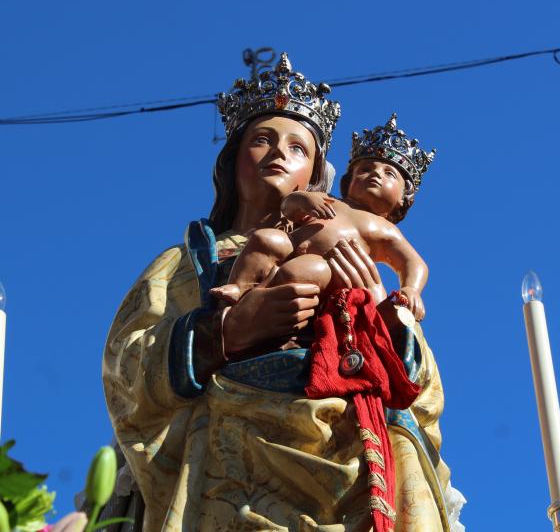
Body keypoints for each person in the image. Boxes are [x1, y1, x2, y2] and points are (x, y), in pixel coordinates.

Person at [103, 53, 461, 531]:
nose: (277, 154)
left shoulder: (353, 247)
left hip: (356, 458)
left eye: (298, 148)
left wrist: (382, 308)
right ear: (231, 160)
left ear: (316, 177)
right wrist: (226, 332)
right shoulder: (184, 264)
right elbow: (125, 368)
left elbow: (423, 393)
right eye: (261, 140)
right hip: (228, 470)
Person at [211, 113, 435, 327]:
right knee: (265, 239)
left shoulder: (386, 230)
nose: (375, 174)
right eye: (365, 169)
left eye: (389, 174)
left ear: (402, 201)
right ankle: (238, 287)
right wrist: (303, 200)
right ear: (347, 182)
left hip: (324, 264)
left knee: (300, 271)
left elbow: (413, 263)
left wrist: (410, 290)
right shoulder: (329, 200)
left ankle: (260, 297)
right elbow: (288, 207)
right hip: (290, 244)